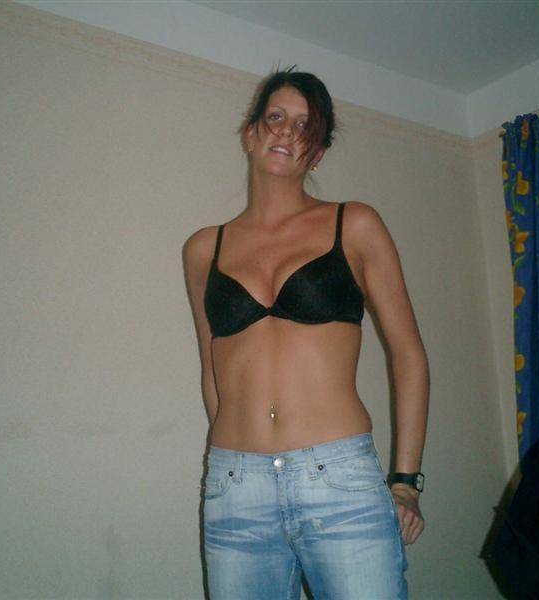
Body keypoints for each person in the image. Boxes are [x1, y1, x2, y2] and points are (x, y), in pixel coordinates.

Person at [183, 66, 430, 599]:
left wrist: (406, 482)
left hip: (338, 479)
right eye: (276, 117)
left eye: (305, 127)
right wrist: (231, 457)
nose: (288, 132)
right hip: (234, 486)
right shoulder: (203, 249)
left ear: (316, 154)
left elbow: (408, 355)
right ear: (251, 133)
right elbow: (212, 369)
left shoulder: (354, 223)